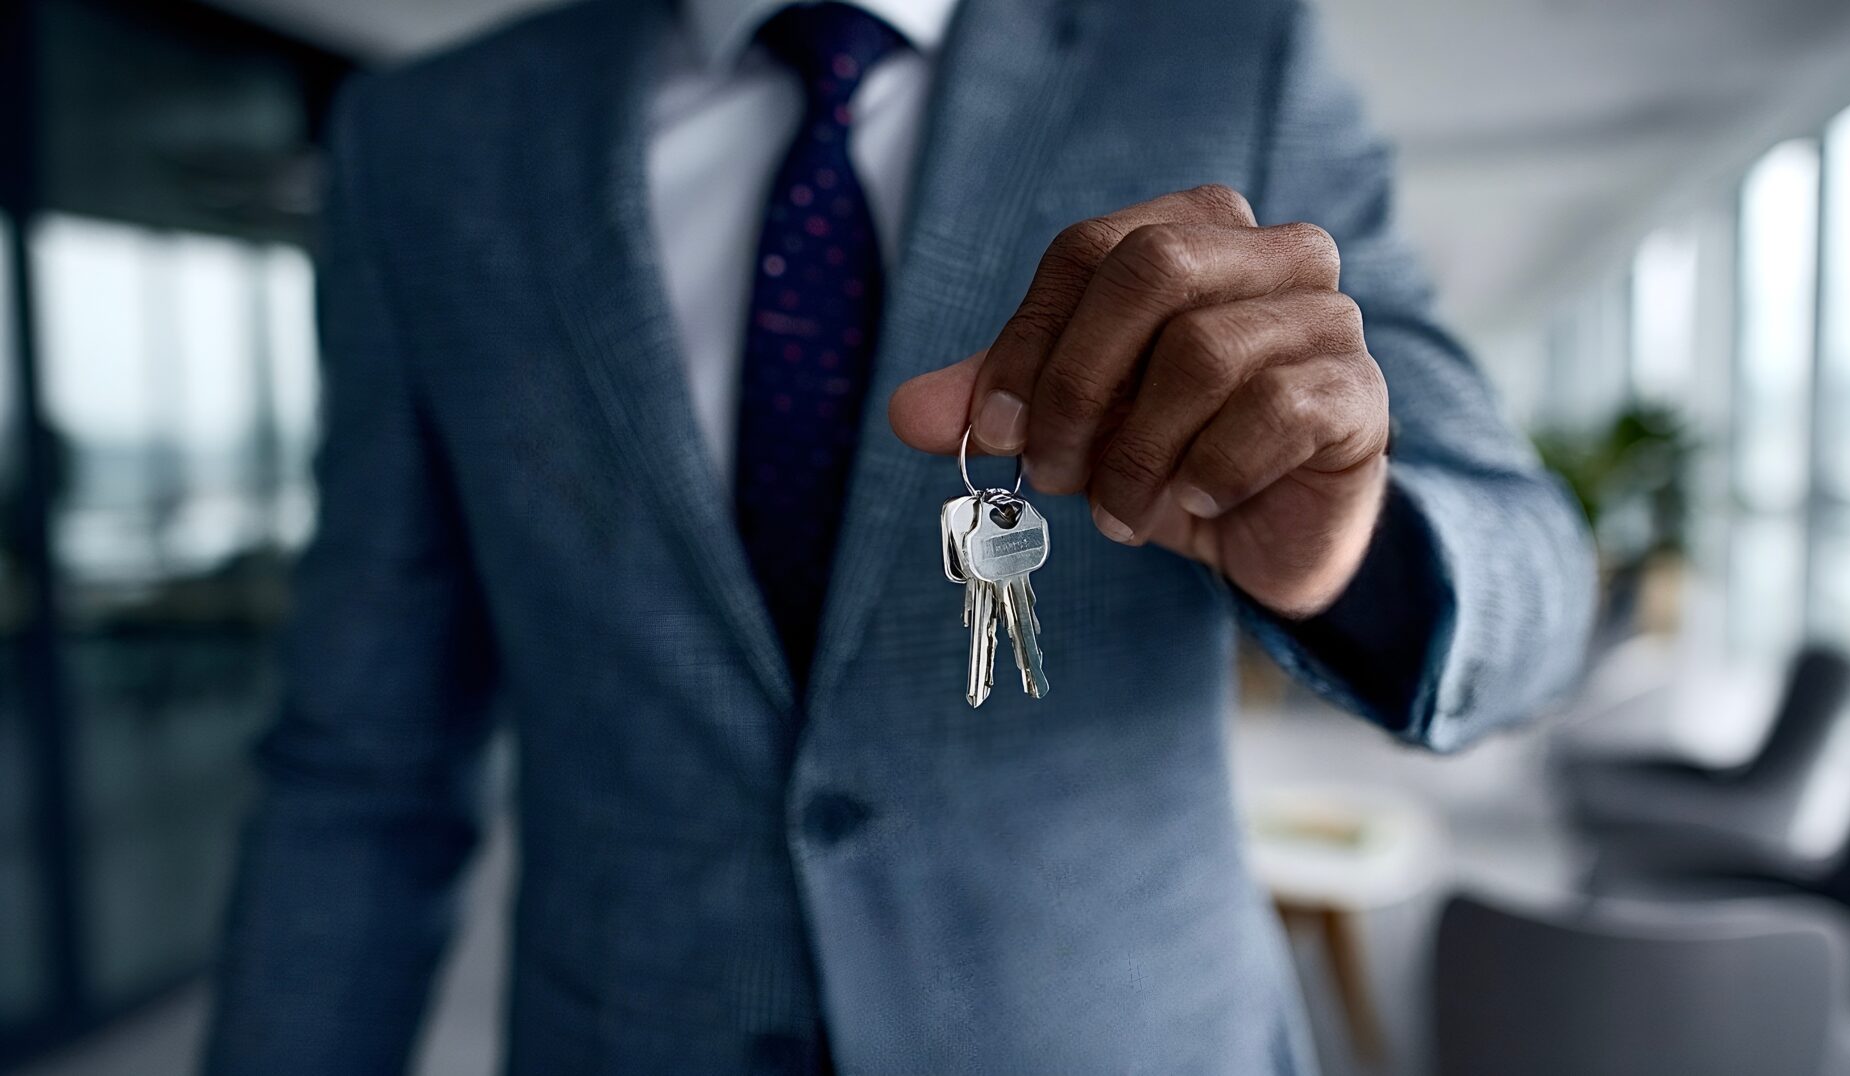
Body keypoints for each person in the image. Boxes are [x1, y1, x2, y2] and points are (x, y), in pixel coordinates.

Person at [202, 0, 1594, 1071]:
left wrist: (1358, 550)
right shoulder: (429, 144)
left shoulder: (1227, 54)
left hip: (1114, 1033)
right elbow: (362, 764)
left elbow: (1536, 582)